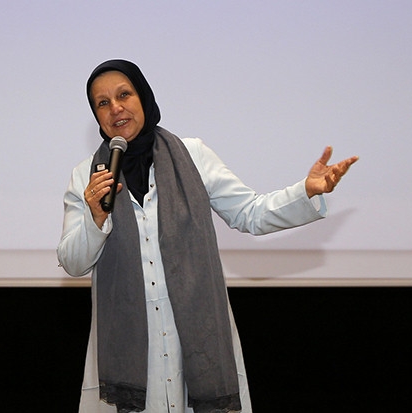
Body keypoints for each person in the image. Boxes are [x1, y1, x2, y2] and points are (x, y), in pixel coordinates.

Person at [57, 59, 358, 413]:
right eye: (103, 102)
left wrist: (305, 191)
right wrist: (95, 217)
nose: (116, 108)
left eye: (124, 95)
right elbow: (73, 263)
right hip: (127, 354)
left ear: (144, 97)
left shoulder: (193, 156)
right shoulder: (87, 178)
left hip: (197, 342)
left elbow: (251, 213)